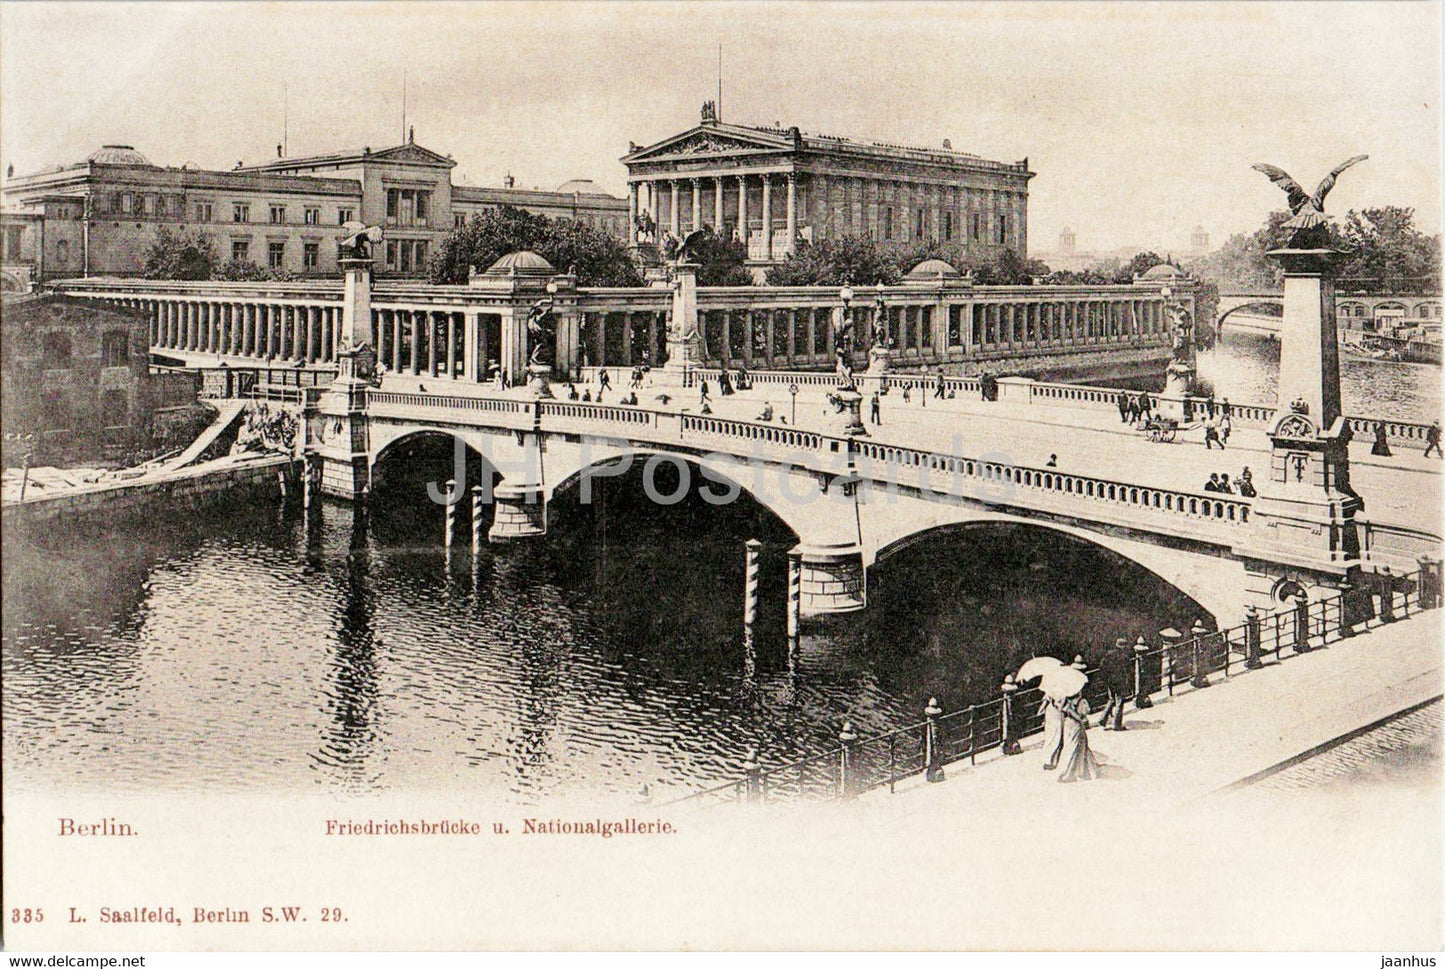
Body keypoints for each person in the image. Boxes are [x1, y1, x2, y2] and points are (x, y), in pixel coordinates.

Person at [1057, 692, 1101, 783]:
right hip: (1077, 726)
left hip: (1068, 725)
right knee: (1078, 746)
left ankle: (1082, 769)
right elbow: (1086, 712)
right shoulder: (1081, 701)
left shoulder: (1066, 702)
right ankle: (1073, 772)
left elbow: (1061, 709)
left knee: (1071, 746)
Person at [1096, 639, 1131, 731]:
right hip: (1120, 681)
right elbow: (1128, 670)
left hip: (1110, 681)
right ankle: (1117, 725)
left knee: (1111, 700)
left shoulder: (1109, 654)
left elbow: (1102, 667)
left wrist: (1105, 679)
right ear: (1123, 646)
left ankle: (1102, 719)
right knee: (1119, 702)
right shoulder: (1124, 656)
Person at [1040, 693, 1065, 771]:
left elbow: (1044, 703)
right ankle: (1053, 760)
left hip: (1052, 712)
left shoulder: (1051, 689)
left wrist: (1041, 710)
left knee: (1052, 737)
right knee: (1056, 736)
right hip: (1056, 713)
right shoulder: (1062, 690)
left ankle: (1050, 760)